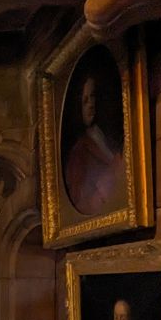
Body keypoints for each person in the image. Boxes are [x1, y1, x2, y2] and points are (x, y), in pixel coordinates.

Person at [63, 75, 123, 215]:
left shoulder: (107, 137)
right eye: (85, 101)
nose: (91, 104)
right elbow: (82, 205)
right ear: (78, 107)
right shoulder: (78, 153)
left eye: (93, 97)